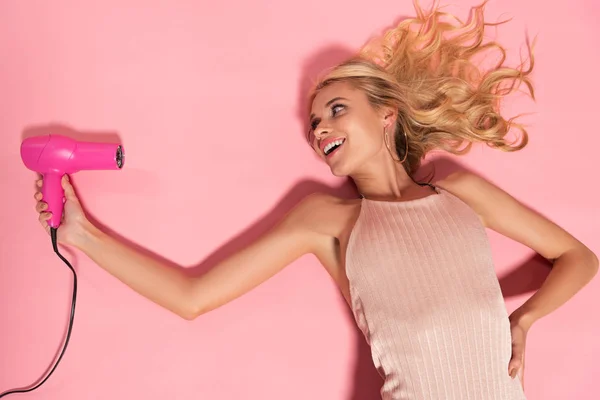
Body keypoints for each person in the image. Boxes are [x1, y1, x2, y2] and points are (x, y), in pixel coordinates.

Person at [33, 1, 598, 399]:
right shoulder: (328, 219)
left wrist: (523, 321)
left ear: (386, 113)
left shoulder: (461, 192)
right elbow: (192, 297)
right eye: (312, 123)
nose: (319, 129)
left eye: (335, 109)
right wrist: (82, 235)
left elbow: (580, 258)